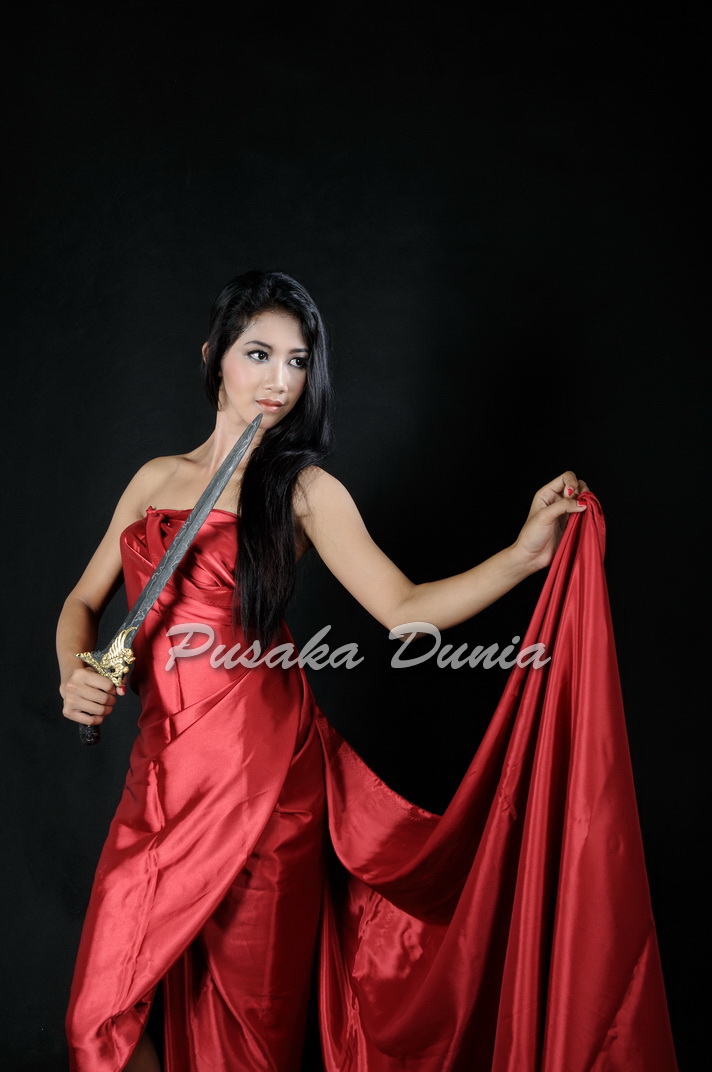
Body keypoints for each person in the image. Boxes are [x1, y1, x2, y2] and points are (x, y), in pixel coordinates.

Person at [57, 270, 672, 1072]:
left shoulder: (304, 490)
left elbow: (404, 606)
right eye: (258, 354)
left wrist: (523, 557)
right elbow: (83, 602)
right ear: (213, 356)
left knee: (245, 1041)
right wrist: (77, 672)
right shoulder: (153, 479)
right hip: (163, 778)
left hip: (266, 784)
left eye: (298, 360)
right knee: (98, 1017)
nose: (280, 379)